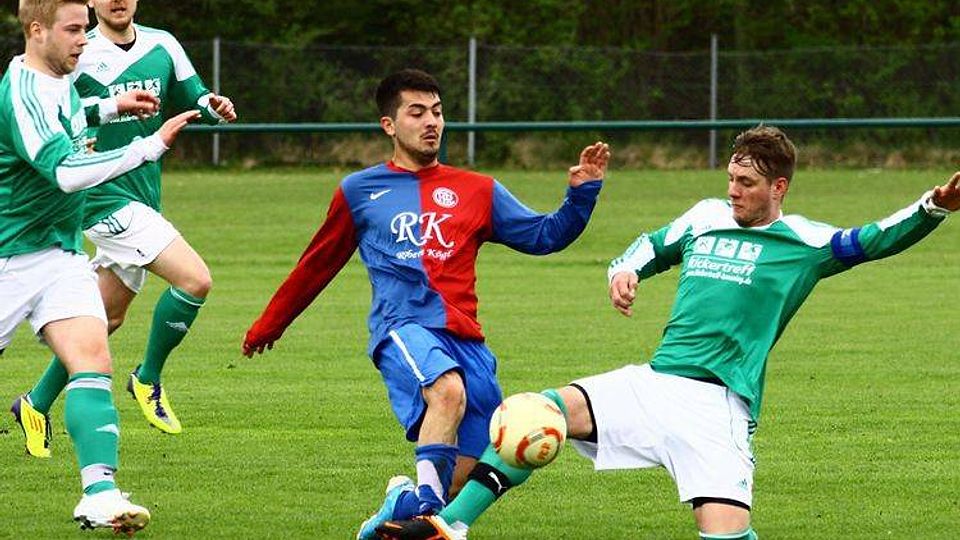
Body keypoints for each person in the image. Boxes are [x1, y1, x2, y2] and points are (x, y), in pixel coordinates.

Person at [376, 125, 960, 540]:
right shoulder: (705, 217)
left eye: (748, 183)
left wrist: (933, 204)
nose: (734, 190)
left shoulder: (805, 243)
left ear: (779, 187)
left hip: (718, 409)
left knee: (727, 535)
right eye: (732, 177)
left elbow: (874, 239)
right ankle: (449, 526)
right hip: (654, 385)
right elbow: (648, 247)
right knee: (533, 416)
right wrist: (623, 271)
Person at [241, 68, 609, 539]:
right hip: (403, 327)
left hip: (467, 340)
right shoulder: (359, 190)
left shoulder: (478, 189)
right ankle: (426, 515)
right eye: (416, 113)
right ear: (389, 125)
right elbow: (316, 265)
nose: (431, 122)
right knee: (446, 391)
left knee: (467, 474)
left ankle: (405, 502)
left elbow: (544, 236)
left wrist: (581, 195)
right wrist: (268, 326)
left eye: (437, 112)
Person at [2, 0, 198, 532]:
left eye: (85, 30)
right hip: (8, 256)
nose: (84, 40)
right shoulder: (19, 92)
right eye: (72, 30)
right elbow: (65, 170)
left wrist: (112, 109)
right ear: (36, 31)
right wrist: (148, 146)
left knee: (93, 358)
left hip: (60, 254)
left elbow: (70, 115)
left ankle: (100, 493)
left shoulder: (58, 79)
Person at [12, 0, 238, 452]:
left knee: (105, 319)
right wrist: (100, 117)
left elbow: (194, 99)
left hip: (144, 194)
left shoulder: (163, 44)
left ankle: (34, 403)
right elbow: (59, 108)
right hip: (99, 195)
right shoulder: (73, 46)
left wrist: (212, 107)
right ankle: (147, 378)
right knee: (195, 280)